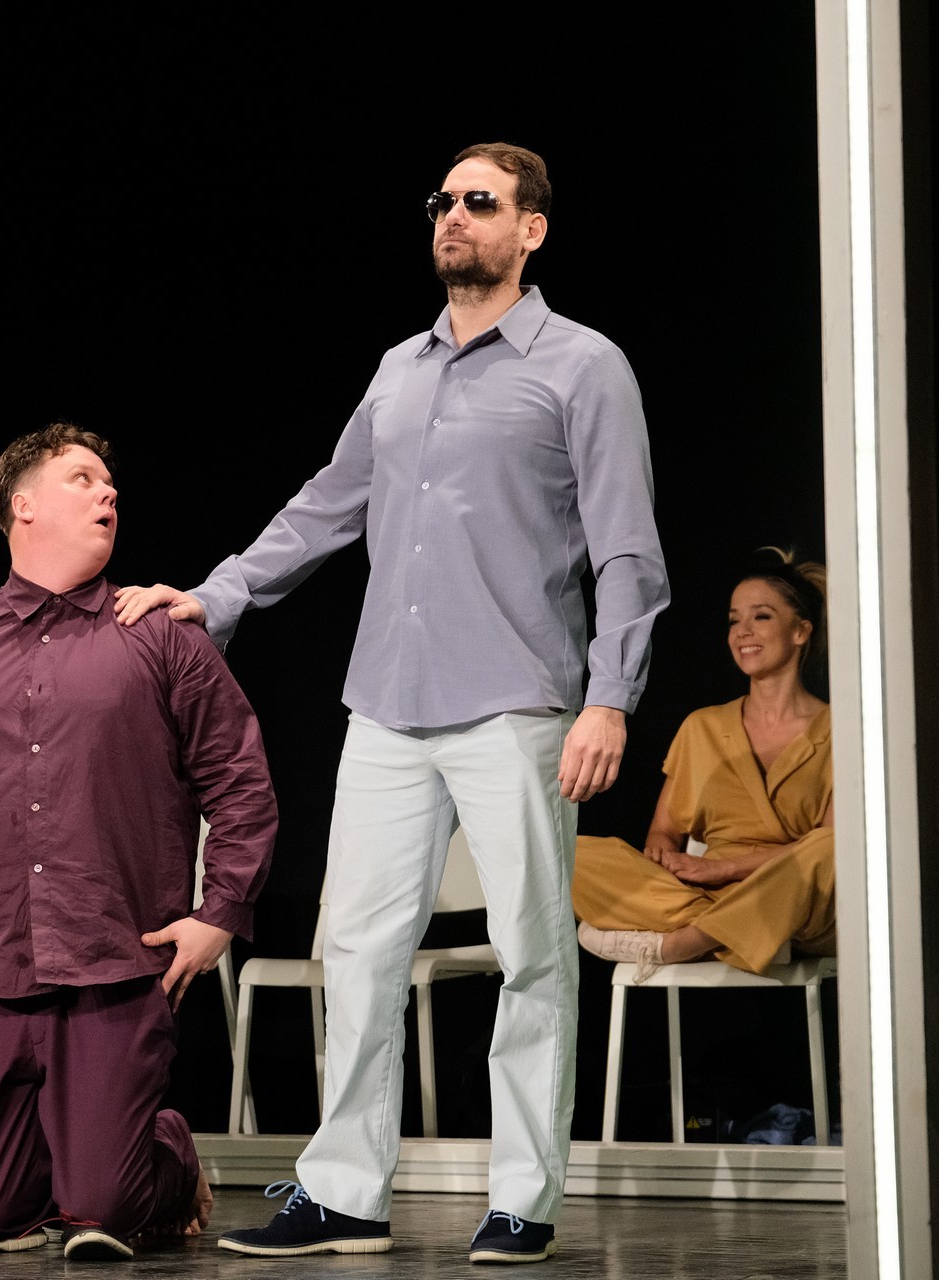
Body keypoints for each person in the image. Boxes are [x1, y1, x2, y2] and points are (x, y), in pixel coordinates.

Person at [115, 142, 669, 1264]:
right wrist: (219, 592)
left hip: (518, 701)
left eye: (480, 202)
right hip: (387, 704)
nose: (453, 217)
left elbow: (627, 549)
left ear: (532, 229)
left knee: (531, 954)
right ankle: (345, 1193)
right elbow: (329, 503)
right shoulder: (400, 368)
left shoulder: (582, 365)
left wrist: (610, 697)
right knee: (359, 950)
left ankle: (523, 1199)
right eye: (443, 202)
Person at [0, 424, 278, 1261]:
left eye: (109, 482)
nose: (109, 492)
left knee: (103, 1205)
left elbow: (239, 781)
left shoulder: (160, 634)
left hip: (116, 959)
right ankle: (60, 1171)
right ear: (23, 505)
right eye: (83, 478)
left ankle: (166, 1152)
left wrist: (219, 913)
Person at [576, 551, 833, 978]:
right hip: (706, 895)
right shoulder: (703, 727)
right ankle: (742, 936)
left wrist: (723, 868)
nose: (743, 631)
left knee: (831, 850)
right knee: (569, 856)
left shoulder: (841, 730)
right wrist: (662, 855)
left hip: (798, 900)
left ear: (800, 631)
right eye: (734, 620)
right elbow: (663, 832)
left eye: (761, 616)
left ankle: (686, 943)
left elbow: (828, 848)